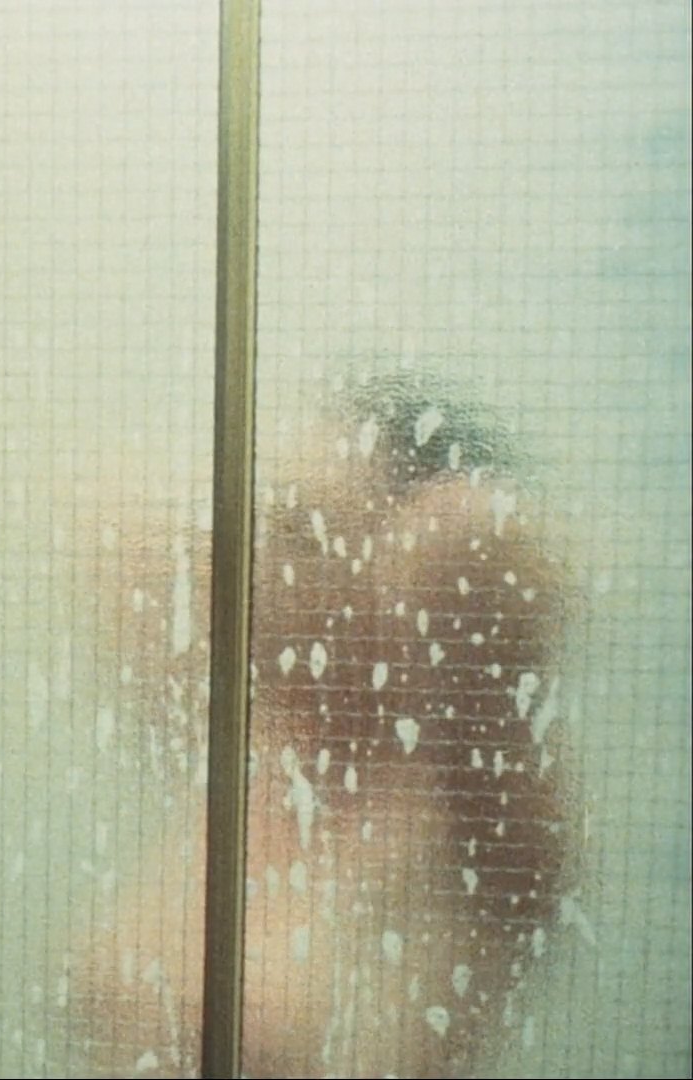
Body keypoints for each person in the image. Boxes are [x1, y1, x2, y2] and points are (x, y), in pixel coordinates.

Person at [74, 369, 579, 1077]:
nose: (256, 563)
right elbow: (106, 512)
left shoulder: (471, 813)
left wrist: (447, 590)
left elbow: (477, 536)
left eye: (300, 535)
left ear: (411, 569)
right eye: (262, 523)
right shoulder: (262, 752)